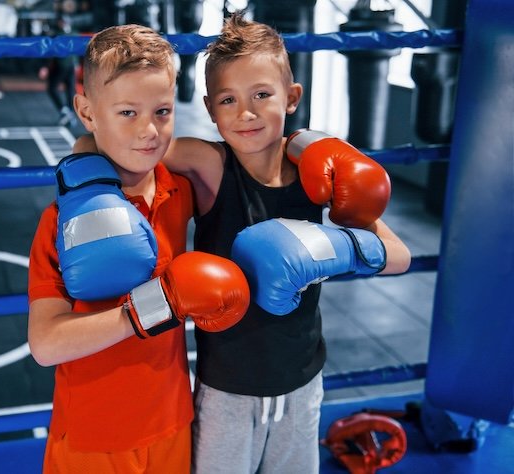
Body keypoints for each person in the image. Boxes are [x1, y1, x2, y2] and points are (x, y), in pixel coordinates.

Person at [74, 13, 411, 473]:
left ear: (292, 98)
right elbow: (109, 142)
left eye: (262, 95)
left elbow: (399, 256)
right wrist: (82, 174)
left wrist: (339, 246)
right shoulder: (209, 164)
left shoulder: (319, 177)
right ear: (211, 110)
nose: (246, 113)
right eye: (229, 100)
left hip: (302, 383)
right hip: (227, 389)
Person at [27, 24, 251, 473]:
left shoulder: (181, 190)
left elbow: (257, 159)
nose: (149, 130)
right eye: (127, 112)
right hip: (93, 434)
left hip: (171, 420)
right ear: (87, 112)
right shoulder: (61, 223)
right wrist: (155, 306)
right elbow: (46, 344)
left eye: (162, 111)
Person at [39, 13, 78, 126]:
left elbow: (50, 51)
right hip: (65, 65)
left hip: (65, 65)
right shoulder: (68, 33)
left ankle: (66, 112)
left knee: (64, 90)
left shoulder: (59, 34)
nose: (61, 23)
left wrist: (45, 67)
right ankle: (67, 113)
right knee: (68, 90)